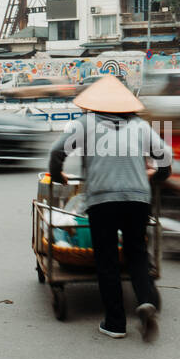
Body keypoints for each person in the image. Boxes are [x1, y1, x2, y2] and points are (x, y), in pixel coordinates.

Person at [48, 75, 169, 342]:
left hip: (103, 201)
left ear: (94, 103)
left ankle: (115, 323)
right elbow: (165, 159)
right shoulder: (139, 126)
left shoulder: (86, 123)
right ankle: (145, 301)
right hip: (137, 200)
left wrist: (58, 177)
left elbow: (57, 153)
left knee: (107, 261)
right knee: (137, 254)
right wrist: (154, 178)